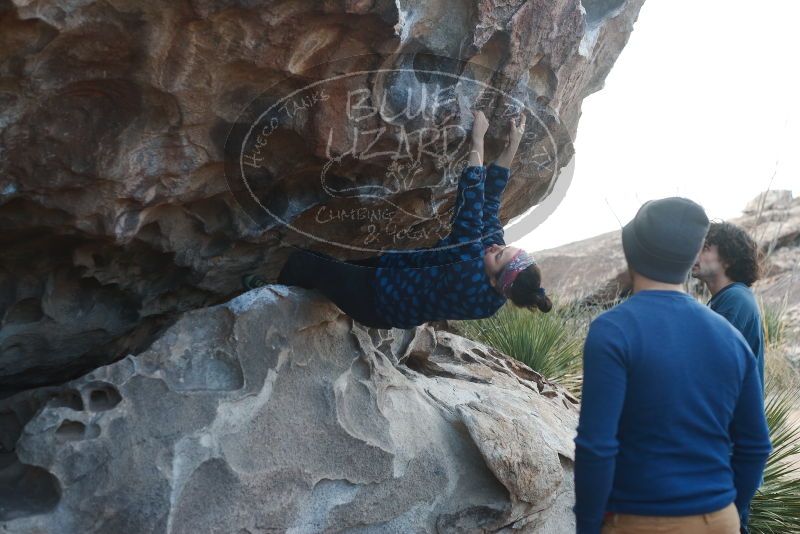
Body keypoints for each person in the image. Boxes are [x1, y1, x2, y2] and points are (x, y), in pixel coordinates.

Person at [242, 110, 552, 329]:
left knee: (304, 262)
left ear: (494, 281)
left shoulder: (468, 272)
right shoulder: (494, 290)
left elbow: (472, 205)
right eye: (504, 248)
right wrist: (512, 145)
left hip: (376, 299)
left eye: (497, 256)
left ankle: (265, 305)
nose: (494, 247)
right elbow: (490, 204)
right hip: (390, 276)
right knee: (328, 273)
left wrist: (478, 140)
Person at [573, 197, 771, 534]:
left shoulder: (613, 329)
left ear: (631, 251)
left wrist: (588, 527)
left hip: (641, 519)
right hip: (719, 519)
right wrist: (730, 511)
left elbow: (597, 447)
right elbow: (755, 446)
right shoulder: (729, 336)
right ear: (691, 256)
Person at [691, 221, 765, 391]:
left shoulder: (735, 298)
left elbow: (712, 363)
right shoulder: (726, 298)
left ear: (729, 259)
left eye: (705, 248)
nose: (696, 253)